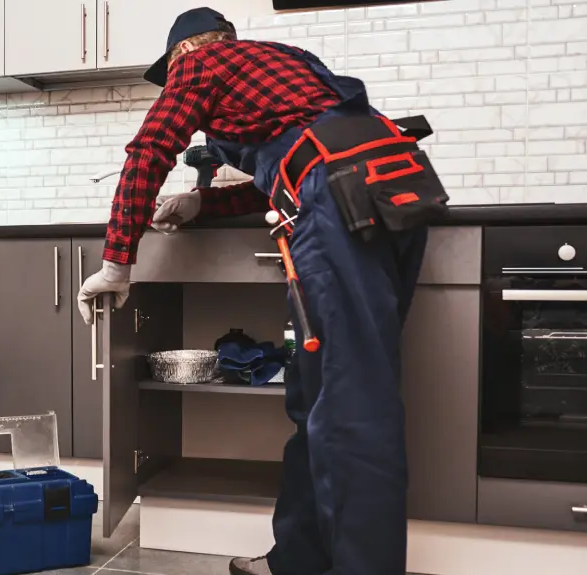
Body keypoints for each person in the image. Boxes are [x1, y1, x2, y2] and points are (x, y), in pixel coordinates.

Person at [77, 8, 447, 575]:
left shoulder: (199, 65)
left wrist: (116, 263)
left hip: (336, 202)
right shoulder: (290, 62)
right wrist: (203, 201)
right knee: (318, 390)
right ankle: (298, 558)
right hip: (392, 184)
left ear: (180, 54)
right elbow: (297, 158)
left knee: (351, 402)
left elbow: (149, 151)